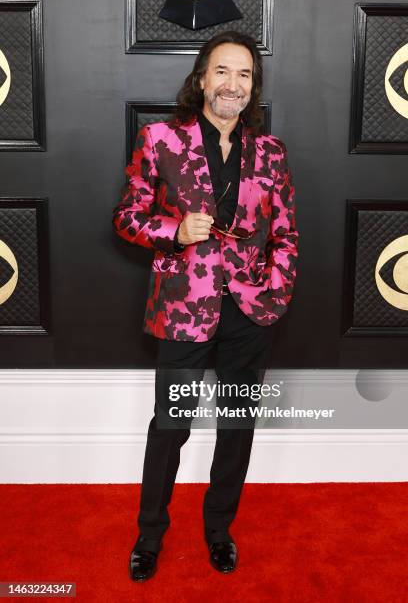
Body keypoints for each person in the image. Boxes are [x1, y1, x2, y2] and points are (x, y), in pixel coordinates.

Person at [112, 30, 298, 581]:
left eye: (244, 75)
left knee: (237, 426)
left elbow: (286, 235)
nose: (232, 85)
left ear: (252, 88)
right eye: (222, 71)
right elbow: (126, 217)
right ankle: (150, 536)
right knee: (171, 425)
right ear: (201, 78)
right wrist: (174, 229)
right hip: (184, 309)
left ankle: (219, 530)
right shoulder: (161, 140)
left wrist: (275, 291)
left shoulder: (271, 152)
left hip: (250, 312)